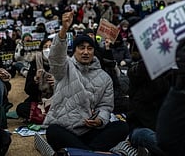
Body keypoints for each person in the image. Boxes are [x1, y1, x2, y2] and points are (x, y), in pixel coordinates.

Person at [44, 11, 129, 152]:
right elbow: (56, 57)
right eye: (81, 48)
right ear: (75, 50)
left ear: (94, 52)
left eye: (90, 48)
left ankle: (82, 152)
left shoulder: (104, 77)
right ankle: (91, 152)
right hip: (66, 129)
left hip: (90, 131)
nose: (85, 52)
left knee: (122, 127)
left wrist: (100, 120)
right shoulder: (64, 68)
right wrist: (63, 30)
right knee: (52, 132)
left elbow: (106, 106)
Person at [16, 38, 55, 121]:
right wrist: (36, 80)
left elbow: (68, 89)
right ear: (41, 50)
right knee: (21, 108)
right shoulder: (35, 64)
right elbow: (28, 90)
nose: (48, 49)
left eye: (50, 47)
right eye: (45, 47)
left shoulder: (61, 63)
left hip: (57, 101)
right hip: (39, 100)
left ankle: (42, 116)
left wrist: (57, 83)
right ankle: (49, 116)